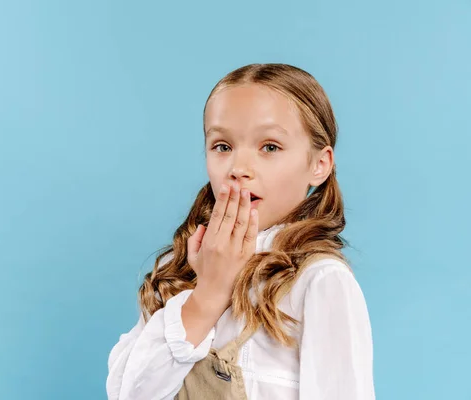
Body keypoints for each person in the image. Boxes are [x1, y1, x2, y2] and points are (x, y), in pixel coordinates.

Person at [106, 63, 375, 400]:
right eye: (222, 146)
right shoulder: (177, 268)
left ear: (319, 164)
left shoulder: (318, 281)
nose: (238, 169)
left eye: (270, 147)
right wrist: (209, 293)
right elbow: (129, 394)